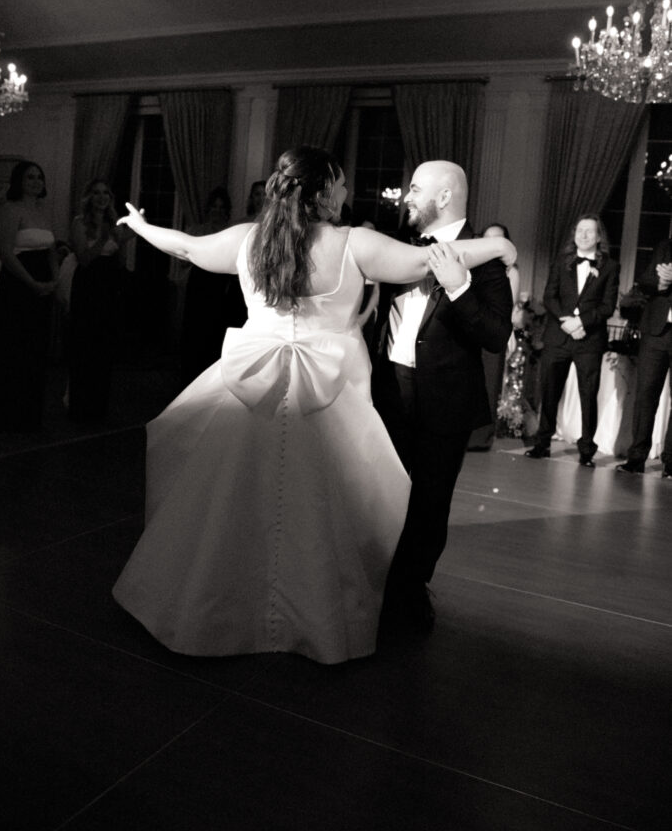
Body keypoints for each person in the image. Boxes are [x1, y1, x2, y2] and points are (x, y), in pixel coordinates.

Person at [112, 147, 514, 665]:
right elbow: (423, 261)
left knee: (235, 499)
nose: (348, 193)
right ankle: (313, 618)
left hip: (251, 386)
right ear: (323, 192)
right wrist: (499, 247)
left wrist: (142, 228)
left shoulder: (249, 237)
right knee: (321, 507)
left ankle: (214, 606)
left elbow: (188, 250)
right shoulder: (355, 243)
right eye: (342, 184)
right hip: (326, 394)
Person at [373, 162, 514, 633]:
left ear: (446, 195)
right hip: (388, 390)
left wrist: (458, 286)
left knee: (429, 505)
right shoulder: (398, 246)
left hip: (445, 399)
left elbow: (495, 336)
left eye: (414, 188)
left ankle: (408, 595)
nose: (406, 197)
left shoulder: (486, 260)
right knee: (377, 493)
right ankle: (370, 583)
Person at [525, 214, 619, 466]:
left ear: (599, 237)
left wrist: (582, 322)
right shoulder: (561, 262)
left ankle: (586, 450)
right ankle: (542, 444)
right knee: (550, 390)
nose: (584, 235)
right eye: (580, 230)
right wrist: (567, 322)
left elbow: (608, 305)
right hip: (558, 337)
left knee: (588, 394)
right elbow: (549, 296)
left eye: (590, 231)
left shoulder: (610, 266)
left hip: (589, 341)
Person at [0, 161, 59, 431]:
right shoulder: (10, 209)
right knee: (14, 348)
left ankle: (31, 412)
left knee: (36, 348)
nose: (35, 181)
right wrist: (32, 282)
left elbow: (52, 248)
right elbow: (6, 252)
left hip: (42, 283)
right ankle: (11, 413)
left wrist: (54, 279)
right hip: (19, 285)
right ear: (19, 180)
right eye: (30, 177)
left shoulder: (42, 211)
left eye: (39, 177)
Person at [67, 178, 129, 422]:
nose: (102, 197)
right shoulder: (79, 223)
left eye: (106, 193)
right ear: (89, 197)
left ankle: (99, 406)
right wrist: (103, 238)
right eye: (96, 193)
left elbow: (121, 261)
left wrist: (120, 240)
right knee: (84, 344)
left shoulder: (113, 223)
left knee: (104, 345)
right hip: (88, 284)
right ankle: (80, 406)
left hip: (108, 285)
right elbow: (83, 258)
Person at [616, 237, 672, 477]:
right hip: (656, 330)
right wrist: (662, 281)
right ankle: (636, 457)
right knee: (645, 395)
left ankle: (671, 463)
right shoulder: (665, 245)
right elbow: (645, 281)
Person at [180, 186, 247, 387]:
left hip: (220, 287)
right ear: (208, 209)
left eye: (221, 207)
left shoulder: (230, 231)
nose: (217, 210)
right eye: (214, 206)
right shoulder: (197, 230)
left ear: (226, 210)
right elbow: (183, 261)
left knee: (215, 332)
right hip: (199, 284)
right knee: (194, 330)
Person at [467, 222, 521, 450]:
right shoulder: (473, 265)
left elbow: (508, 309)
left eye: (498, 239)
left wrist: (508, 334)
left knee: (489, 384)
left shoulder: (511, 271)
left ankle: (482, 438)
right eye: (488, 238)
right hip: (473, 330)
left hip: (494, 331)